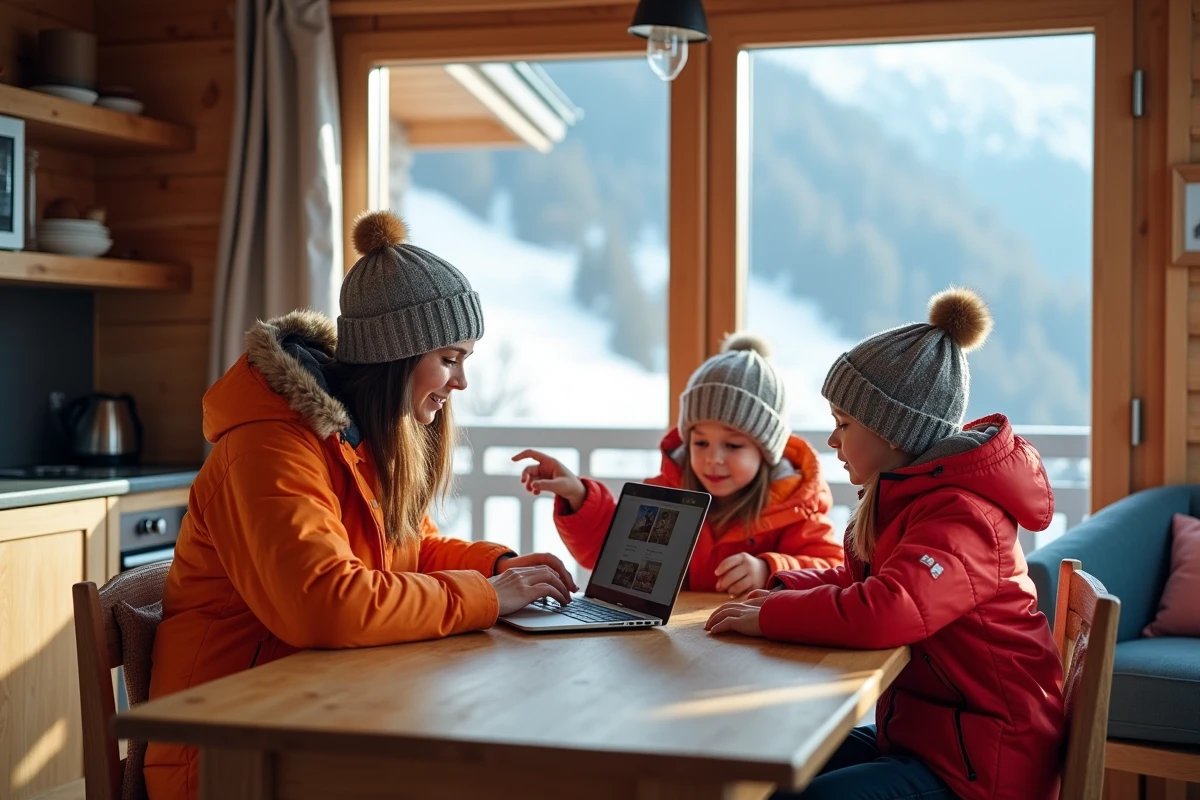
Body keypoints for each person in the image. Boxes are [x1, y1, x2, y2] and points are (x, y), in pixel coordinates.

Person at [145, 210, 576, 800]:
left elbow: (413, 546)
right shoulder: (270, 445)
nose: (460, 385)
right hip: (229, 751)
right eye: (449, 359)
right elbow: (324, 604)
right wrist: (488, 598)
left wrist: (498, 568)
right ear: (395, 356)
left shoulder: (357, 436)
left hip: (315, 712)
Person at [705, 288, 1066, 800]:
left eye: (843, 425)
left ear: (893, 431)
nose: (832, 441)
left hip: (986, 764)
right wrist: (781, 585)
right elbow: (867, 582)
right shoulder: (917, 501)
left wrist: (774, 616)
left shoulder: (961, 517)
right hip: (933, 737)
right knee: (772, 768)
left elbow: (887, 610)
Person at [516, 334, 842, 597]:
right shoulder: (666, 493)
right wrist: (578, 496)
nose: (713, 458)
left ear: (767, 451)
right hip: (676, 647)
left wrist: (770, 571)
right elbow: (609, 552)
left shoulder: (797, 509)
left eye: (733, 445)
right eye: (700, 443)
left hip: (754, 655)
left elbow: (833, 570)